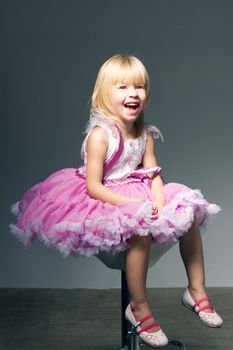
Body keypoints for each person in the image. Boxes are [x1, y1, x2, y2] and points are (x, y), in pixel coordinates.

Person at [10, 54, 223, 347]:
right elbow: (94, 186)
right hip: (105, 198)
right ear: (104, 94)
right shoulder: (100, 136)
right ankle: (139, 308)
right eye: (122, 87)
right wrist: (131, 204)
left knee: (189, 211)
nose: (133, 93)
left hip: (139, 191)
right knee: (138, 228)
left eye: (139, 86)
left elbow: (152, 173)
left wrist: (158, 194)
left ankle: (196, 290)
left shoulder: (145, 134)